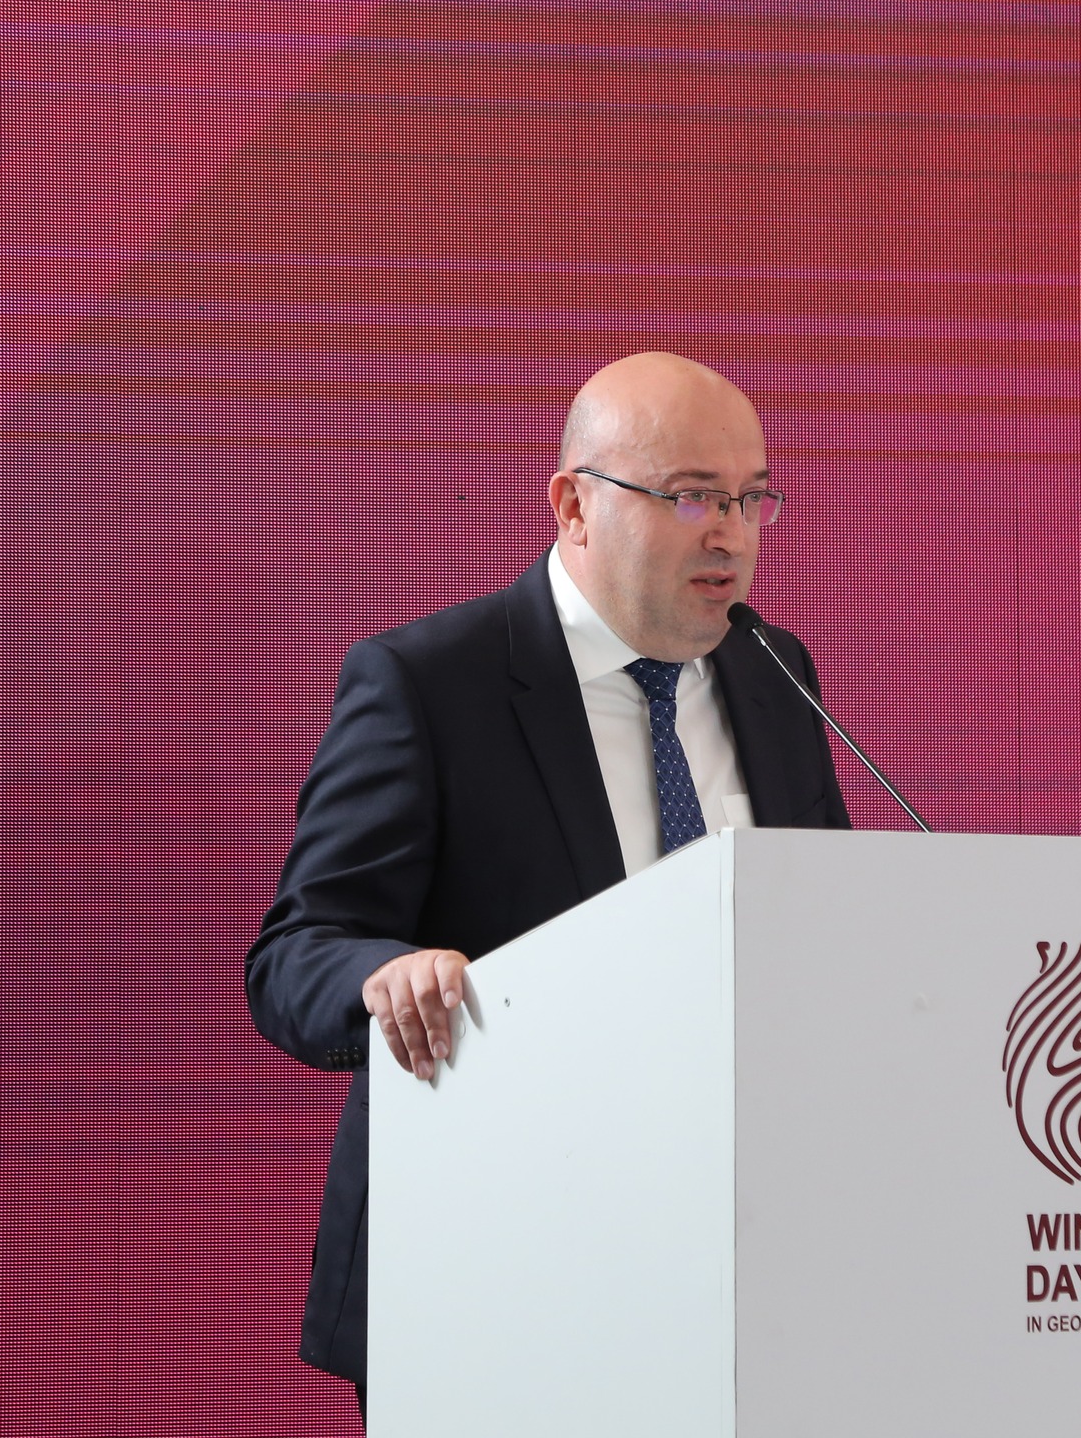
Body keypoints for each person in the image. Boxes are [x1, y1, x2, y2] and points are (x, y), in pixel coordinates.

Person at [245, 352, 851, 1413]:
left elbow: (830, 922)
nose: (731, 534)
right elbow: (297, 953)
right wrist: (386, 975)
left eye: (752, 498)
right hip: (490, 1262)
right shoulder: (431, 683)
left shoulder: (771, 672)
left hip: (730, 1257)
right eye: (691, 497)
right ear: (574, 505)